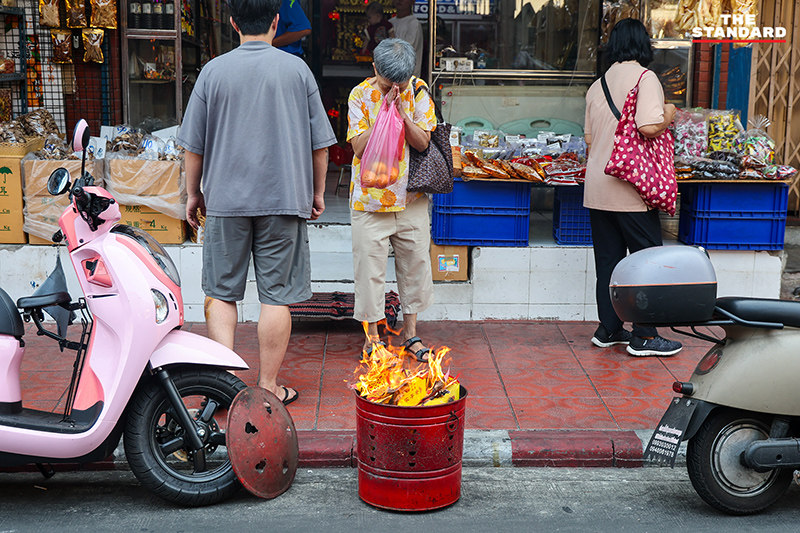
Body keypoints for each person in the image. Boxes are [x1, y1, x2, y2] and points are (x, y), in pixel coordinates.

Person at [177, 0, 336, 405]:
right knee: (276, 297)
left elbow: (192, 148)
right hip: (284, 200)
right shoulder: (297, 71)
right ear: (276, 22)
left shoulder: (213, 71)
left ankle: (225, 389)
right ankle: (267, 388)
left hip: (225, 202)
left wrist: (193, 194)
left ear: (232, 23)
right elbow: (321, 146)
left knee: (221, 292)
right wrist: (317, 194)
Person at [583, 17, 682, 357]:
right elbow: (649, 126)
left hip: (597, 188)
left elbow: (589, 139)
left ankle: (608, 329)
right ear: (643, 44)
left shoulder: (598, 85)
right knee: (646, 263)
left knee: (608, 264)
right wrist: (669, 113)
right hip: (631, 191)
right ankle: (645, 335)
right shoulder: (645, 78)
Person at [346, 38, 437, 361]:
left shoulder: (419, 91)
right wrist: (383, 112)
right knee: (369, 272)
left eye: (399, 84)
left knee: (415, 268)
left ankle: (411, 335)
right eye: (387, 85)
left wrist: (402, 113)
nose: (393, 90)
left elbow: (424, 142)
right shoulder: (360, 95)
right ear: (375, 71)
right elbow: (357, 147)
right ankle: (372, 339)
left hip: (411, 200)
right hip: (370, 201)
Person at [390, 0, 423, 77]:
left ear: (412, 2)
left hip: (408, 77)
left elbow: (406, 50)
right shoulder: (389, 22)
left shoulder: (414, 23)